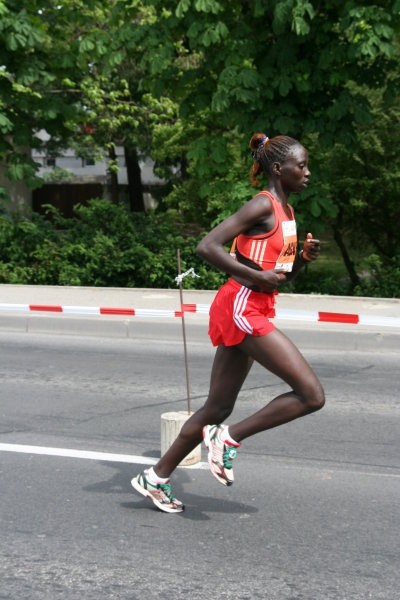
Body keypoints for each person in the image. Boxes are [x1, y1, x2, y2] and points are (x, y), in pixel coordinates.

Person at [131, 132, 325, 513]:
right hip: (241, 305)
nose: (307, 172)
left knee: (216, 408)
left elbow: (279, 276)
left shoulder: (286, 212)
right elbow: (207, 246)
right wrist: (254, 277)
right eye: (300, 165)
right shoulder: (261, 205)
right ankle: (228, 439)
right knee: (311, 395)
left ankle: (155, 478)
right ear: (277, 169)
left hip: (254, 304)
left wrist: (301, 259)